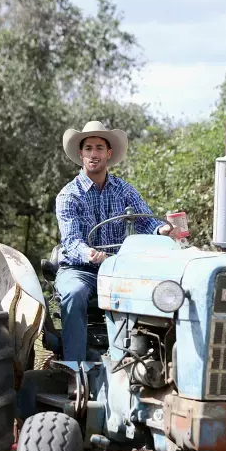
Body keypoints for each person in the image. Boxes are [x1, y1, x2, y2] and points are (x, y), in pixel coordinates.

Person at [54, 121, 173, 362]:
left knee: (163, 292)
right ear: (80, 154)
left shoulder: (125, 190)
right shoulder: (69, 195)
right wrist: (90, 254)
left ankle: (145, 361)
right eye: (88, 148)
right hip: (81, 270)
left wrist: (162, 230)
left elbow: (145, 221)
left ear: (108, 153)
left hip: (120, 269)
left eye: (99, 148)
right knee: (74, 293)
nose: (93, 154)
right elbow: (71, 241)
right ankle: (74, 369)